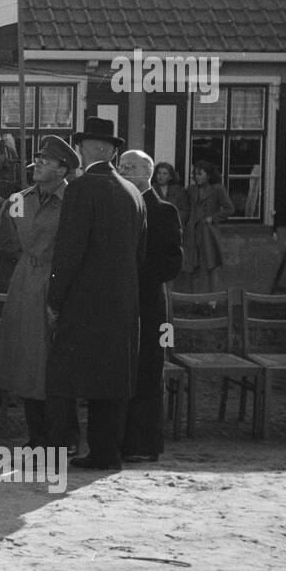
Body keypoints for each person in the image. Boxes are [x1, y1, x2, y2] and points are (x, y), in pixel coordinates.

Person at [45, 117, 147, 470]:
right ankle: (106, 452)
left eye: (81, 145)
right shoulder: (133, 192)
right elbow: (140, 253)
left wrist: (55, 297)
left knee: (63, 374)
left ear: (94, 148)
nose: (78, 150)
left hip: (84, 301)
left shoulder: (81, 189)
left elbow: (68, 251)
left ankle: (57, 446)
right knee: (112, 379)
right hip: (122, 301)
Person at [0, 135, 79, 448]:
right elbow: (7, 243)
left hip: (60, 284)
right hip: (25, 284)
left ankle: (64, 436)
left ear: (63, 169)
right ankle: (37, 435)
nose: (38, 163)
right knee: (26, 360)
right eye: (38, 158)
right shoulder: (19, 200)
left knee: (57, 362)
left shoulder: (75, 201)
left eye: (47, 160)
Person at [118, 149, 184, 463]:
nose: (125, 171)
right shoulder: (118, 206)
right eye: (121, 166)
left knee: (146, 371)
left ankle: (143, 444)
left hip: (148, 302)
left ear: (149, 172)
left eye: (132, 167)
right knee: (121, 370)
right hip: (119, 302)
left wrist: (136, 277)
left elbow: (172, 263)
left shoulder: (164, 210)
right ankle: (118, 439)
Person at [181, 160, 233, 294]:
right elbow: (186, 208)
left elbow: (229, 208)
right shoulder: (191, 190)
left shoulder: (218, 189)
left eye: (200, 174)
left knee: (211, 265)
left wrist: (213, 218)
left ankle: (213, 299)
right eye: (195, 174)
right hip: (192, 232)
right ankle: (196, 299)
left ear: (208, 175)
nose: (197, 177)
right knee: (193, 265)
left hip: (208, 232)